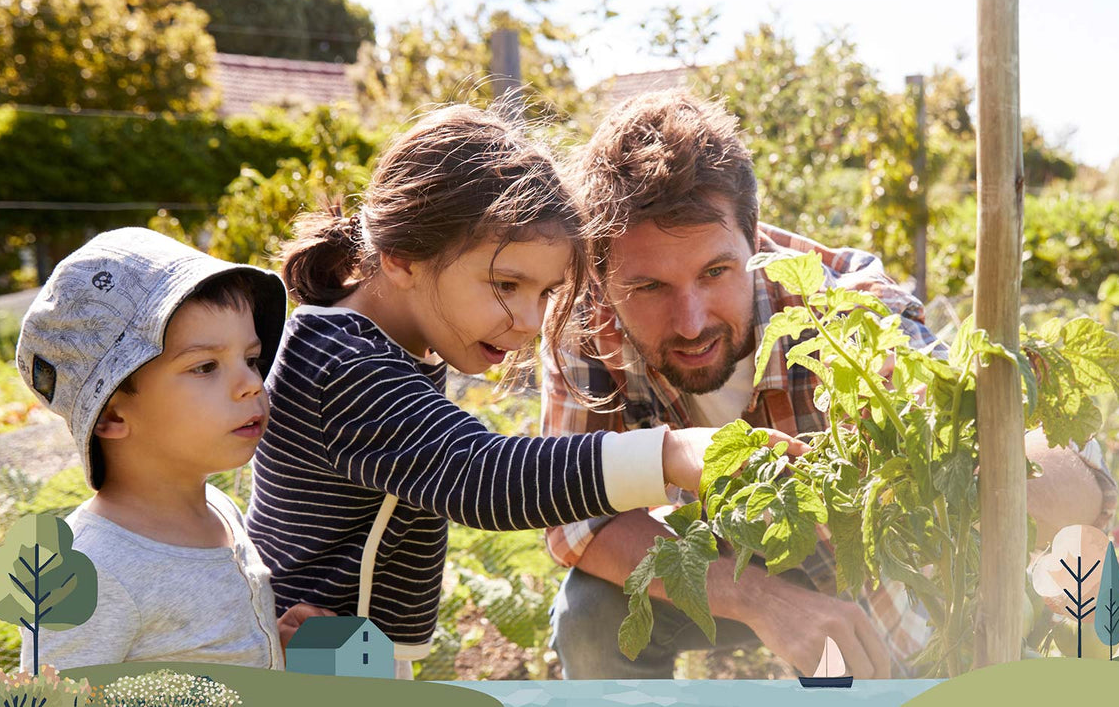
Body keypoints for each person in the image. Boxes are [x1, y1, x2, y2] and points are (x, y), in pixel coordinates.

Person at [541, 90, 1118, 679]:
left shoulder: (839, 306)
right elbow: (575, 520)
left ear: (754, 238)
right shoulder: (584, 328)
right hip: (721, 559)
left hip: (869, 574)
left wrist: (953, 458)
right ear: (601, 274)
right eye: (650, 288)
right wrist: (763, 601)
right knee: (591, 617)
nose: (691, 321)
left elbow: (1062, 473)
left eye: (715, 272)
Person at [245, 103, 801, 680]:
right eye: (506, 284)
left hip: (343, 649)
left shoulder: (390, 346)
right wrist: (671, 454)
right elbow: (480, 475)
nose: (530, 321)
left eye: (545, 293)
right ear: (403, 257)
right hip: (306, 655)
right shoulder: (346, 363)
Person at [13, 227, 291, 671]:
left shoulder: (219, 510)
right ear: (111, 416)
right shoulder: (88, 574)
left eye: (251, 359)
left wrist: (271, 647)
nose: (252, 384)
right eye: (205, 366)